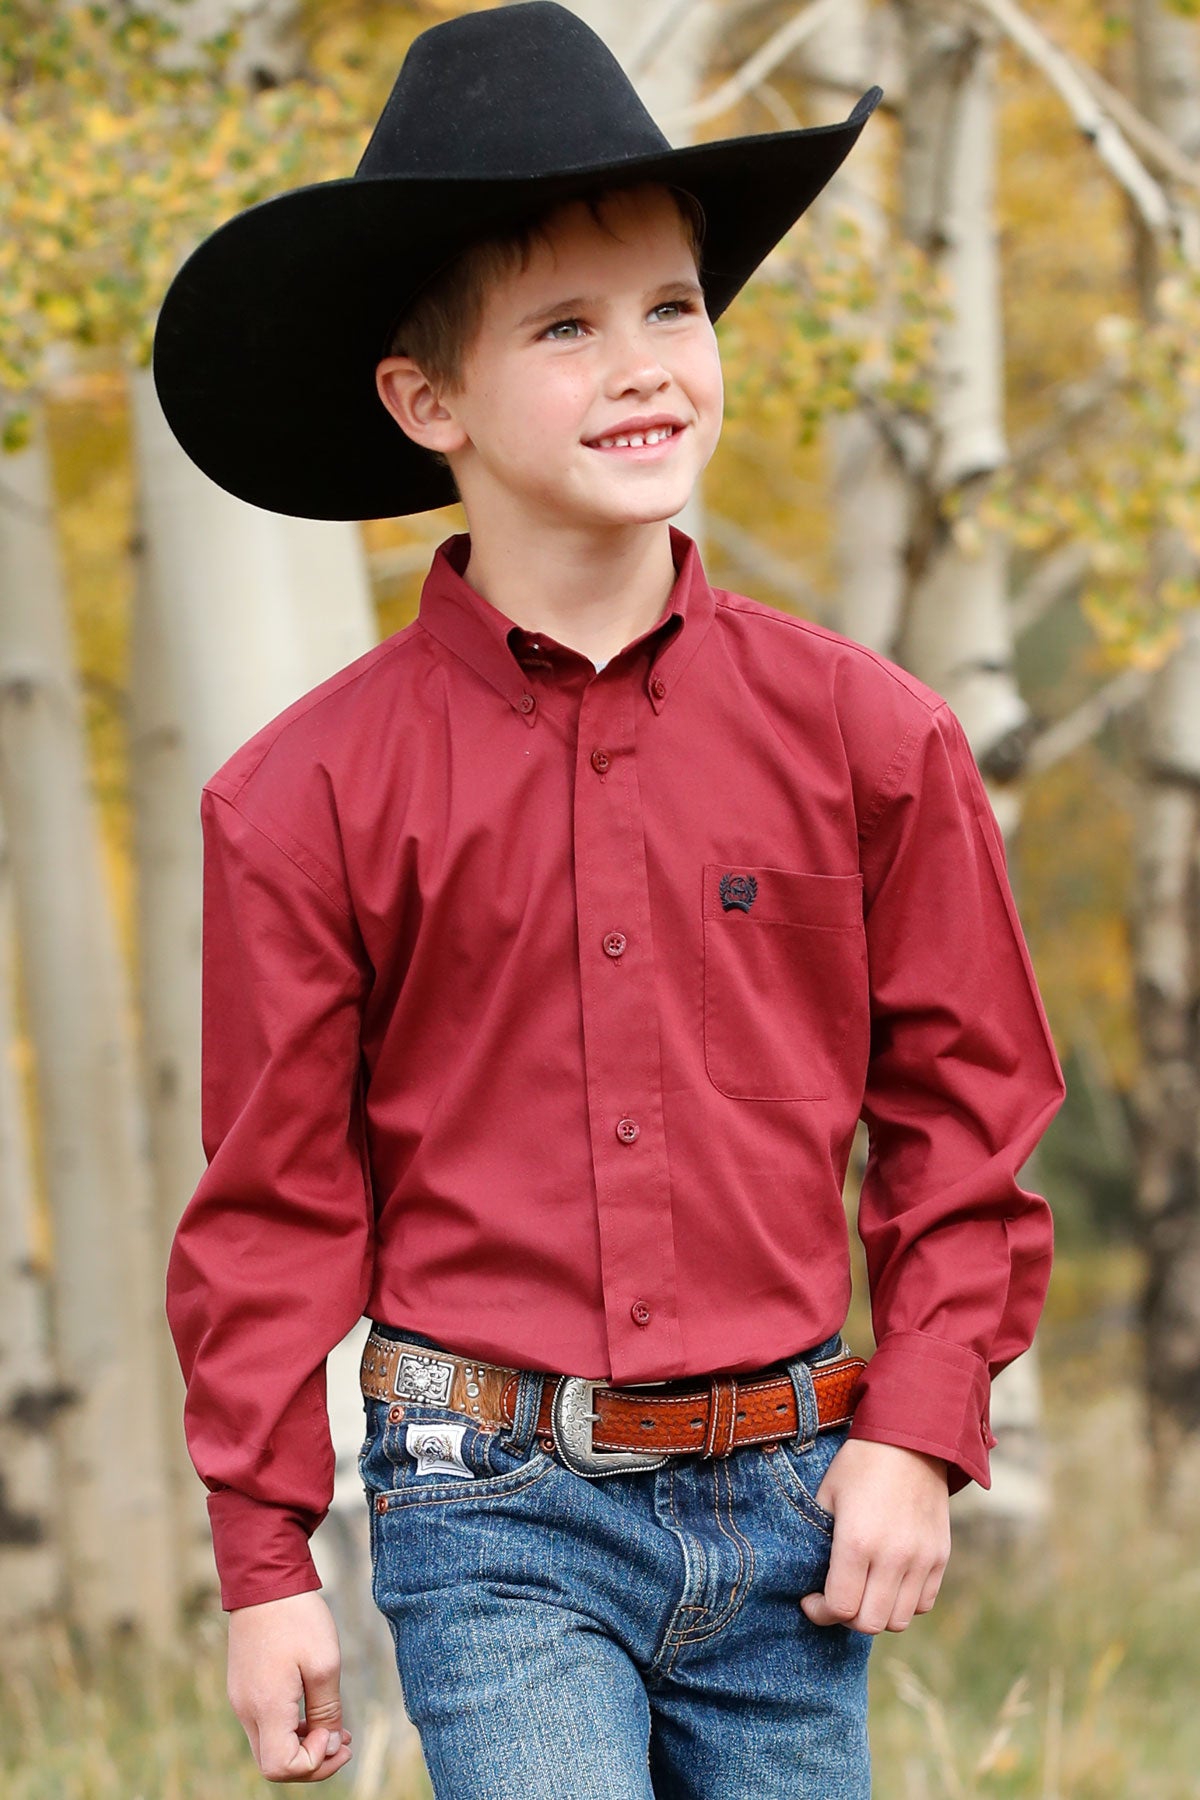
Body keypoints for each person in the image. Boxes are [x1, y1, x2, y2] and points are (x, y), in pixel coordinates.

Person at [154, 5, 1066, 1795]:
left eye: (672, 308)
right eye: (565, 329)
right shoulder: (301, 799)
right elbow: (274, 1202)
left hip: (800, 1497)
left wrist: (920, 1428)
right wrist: (265, 1565)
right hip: (493, 1516)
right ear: (428, 402)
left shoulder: (874, 740)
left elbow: (967, 1120)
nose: (645, 365)